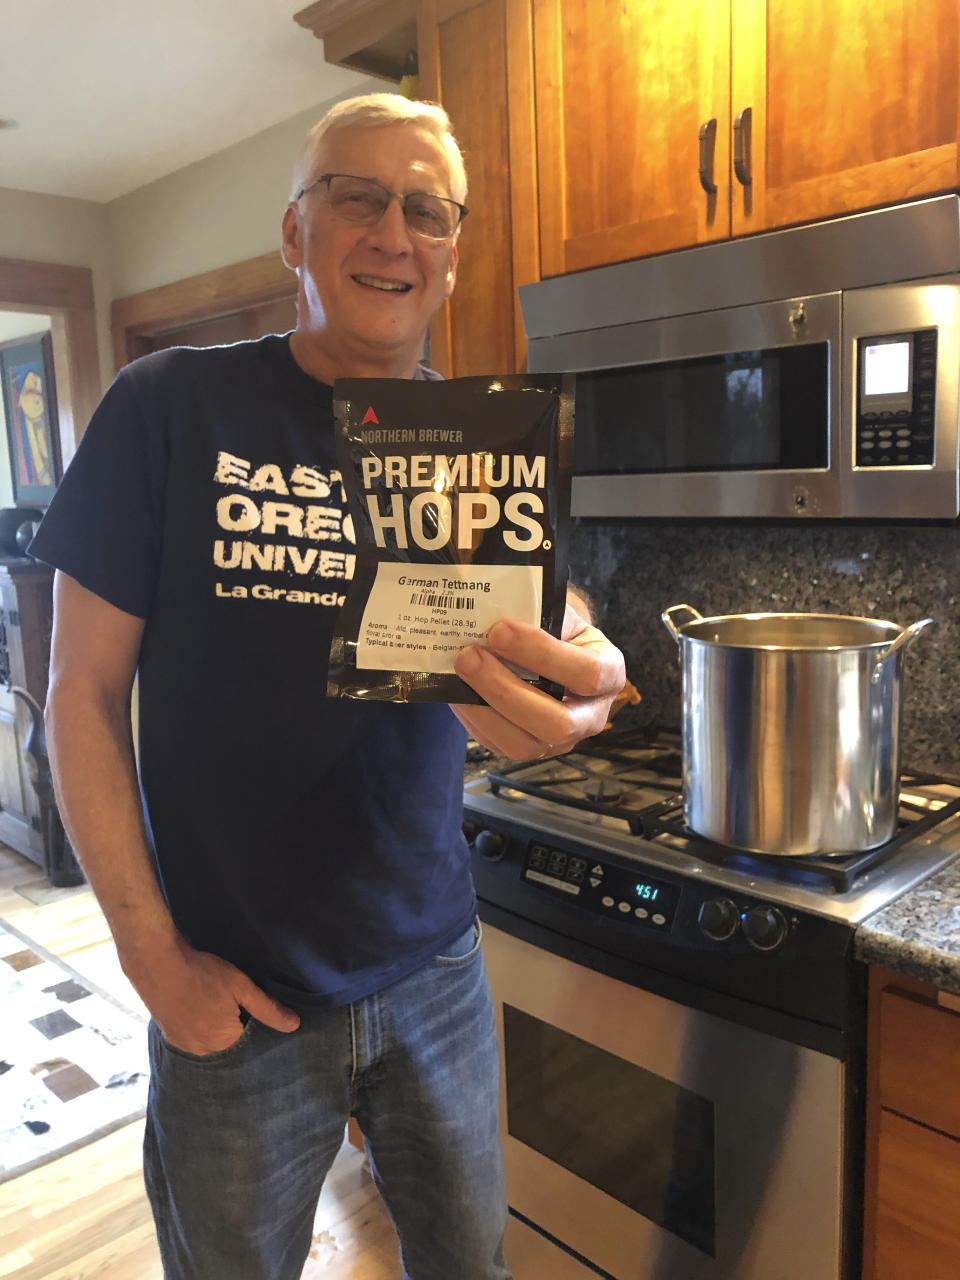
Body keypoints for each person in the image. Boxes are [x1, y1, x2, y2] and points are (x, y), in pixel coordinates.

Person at [31, 93, 626, 1280]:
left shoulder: (471, 444)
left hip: (436, 967)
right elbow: (77, 698)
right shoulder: (169, 409)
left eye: (425, 210)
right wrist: (156, 965)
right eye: (356, 196)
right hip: (236, 994)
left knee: (471, 1264)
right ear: (295, 235)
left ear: (451, 257)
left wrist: (576, 660)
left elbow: (526, 638)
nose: (393, 233)